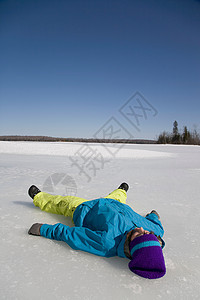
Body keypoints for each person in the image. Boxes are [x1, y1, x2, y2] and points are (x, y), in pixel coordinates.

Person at [28, 183, 166, 279]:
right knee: (118, 196)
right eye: (147, 233)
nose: (142, 229)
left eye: (139, 234)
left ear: (132, 245)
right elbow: (156, 224)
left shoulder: (107, 242)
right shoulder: (154, 231)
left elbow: (73, 235)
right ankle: (121, 190)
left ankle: (39, 197)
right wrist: (154, 215)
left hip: (86, 208)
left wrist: (44, 229)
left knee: (62, 202)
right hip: (114, 203)